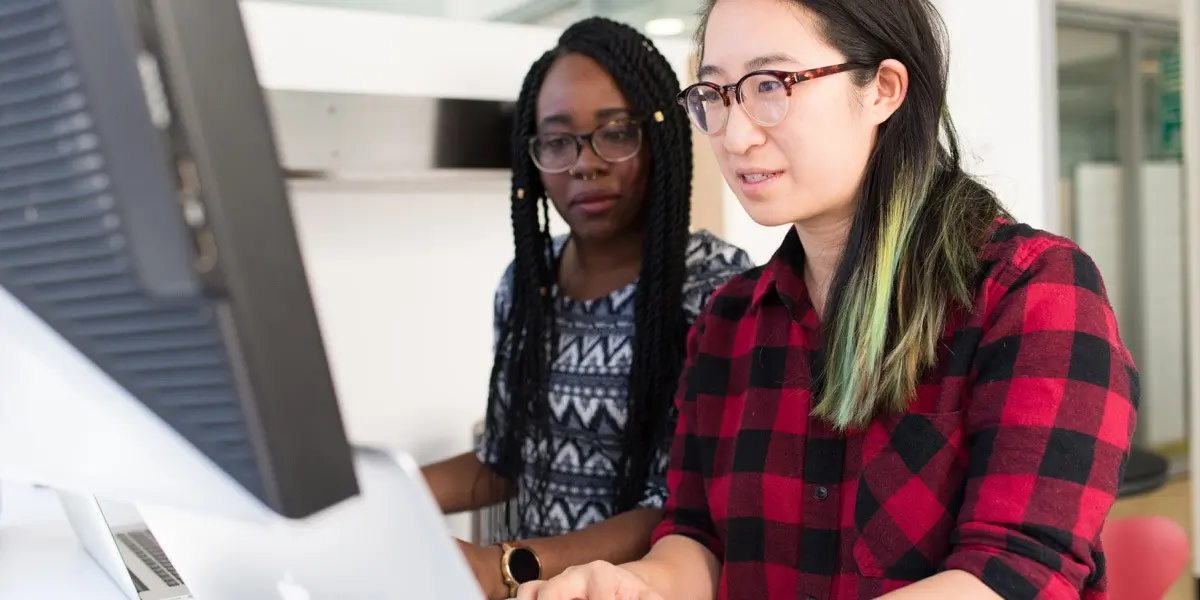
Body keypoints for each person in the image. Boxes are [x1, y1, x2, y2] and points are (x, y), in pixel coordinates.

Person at [518, 1, 1137, 599]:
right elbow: (698, 539)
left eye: (770, 85)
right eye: (716, 95)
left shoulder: (1032, 291)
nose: (736, 136)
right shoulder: (727, 322)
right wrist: (634, 585)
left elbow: (1017, 573)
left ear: (883, 89)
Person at [420, 16, 754, 600]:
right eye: (557, 141)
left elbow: (682, 507)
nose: (584, 162)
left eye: (616, 133)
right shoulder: (527, 284)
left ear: (659, 138)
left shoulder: (714, 288)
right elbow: (505, 460)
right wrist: (374, 493)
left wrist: (505, 566)